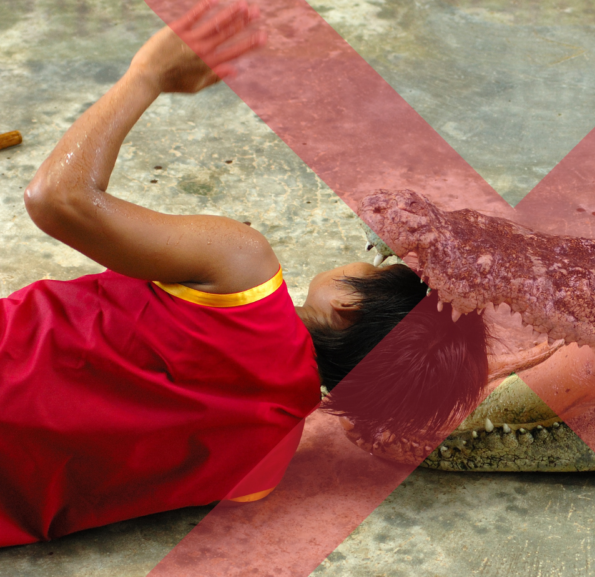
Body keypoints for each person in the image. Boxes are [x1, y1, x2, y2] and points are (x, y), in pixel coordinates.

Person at [0, 0, 487, 547]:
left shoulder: (239, 268)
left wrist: (148, 76)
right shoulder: (261, 470)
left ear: (348, 306)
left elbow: (56, 199)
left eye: (379, 267)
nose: (368, 257)